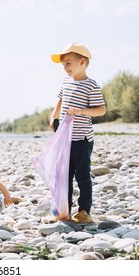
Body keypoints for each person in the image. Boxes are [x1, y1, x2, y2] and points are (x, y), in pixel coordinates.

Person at [49, 43, 106, 224]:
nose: (65, 68)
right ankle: (64, 209)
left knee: (82, 174)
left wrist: (81, 111)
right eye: (63, 65)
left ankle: (84, 211)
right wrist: (53, 116)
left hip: (81, 139)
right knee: (64, 174)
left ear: (82, 62)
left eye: (68, 64)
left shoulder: (91, 85)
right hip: (64, 138)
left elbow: (101, 110)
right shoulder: (66, 82)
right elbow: (60, 99)